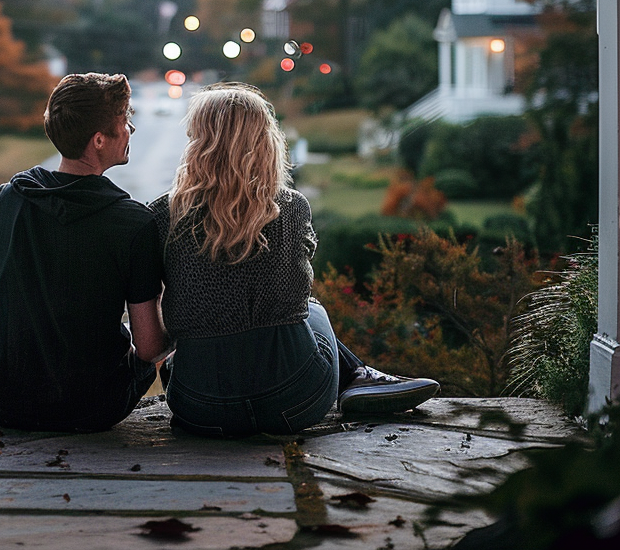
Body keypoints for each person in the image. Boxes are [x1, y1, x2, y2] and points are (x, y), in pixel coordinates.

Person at [149, 83, 439, 438]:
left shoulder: (164, 214)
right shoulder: (290, 207)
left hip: (200, 408)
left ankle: (361, 376)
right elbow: (295, 294)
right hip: (296, 402)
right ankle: (359, 376)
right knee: (313, 309)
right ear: (264, 141)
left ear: (199, 142)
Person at [0, 72, 169, 432]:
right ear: (99, 140)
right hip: (91, 407)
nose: (131, 131)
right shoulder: (134, 224)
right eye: (125, 122)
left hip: (1, 399)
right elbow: (149, 347)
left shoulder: (7, 198)